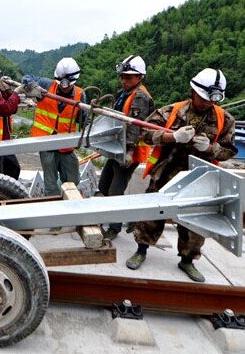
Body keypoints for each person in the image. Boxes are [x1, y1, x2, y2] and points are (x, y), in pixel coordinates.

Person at [126, 68, 237, 282]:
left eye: (210, 99)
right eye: (202, 98)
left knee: (194, 222)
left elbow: (228, 150)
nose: (206, 103)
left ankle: (188, 260)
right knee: (151, 214)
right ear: (192, 91)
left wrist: (210, 149)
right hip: (165, 173)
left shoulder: (224, 119)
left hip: (199, 179)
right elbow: (144, 133)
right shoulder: (172, 111)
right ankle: (141, 249)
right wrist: (172, 137)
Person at [98, 55, 154, 240]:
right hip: (118, 149)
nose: (124, 80)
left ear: (140, 77)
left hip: (129, 152)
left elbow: (134, 126)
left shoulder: (140, 97)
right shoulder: (125, 94)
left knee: (115, 190)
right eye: (122, 76)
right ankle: (113, 218)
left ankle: (114, 228)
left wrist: (129, 152)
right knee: (103, 184)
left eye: (128, 77)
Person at [22, 58, 87, 196]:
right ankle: (53, 208)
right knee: (50, 184)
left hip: (66, 145)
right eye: (61, 84)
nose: (64, 87)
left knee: (73, 180)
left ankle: (67, 201)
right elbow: (27, 77)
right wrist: (34, 86)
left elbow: (84, 120)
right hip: (47, 144)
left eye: (68, 85)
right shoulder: (46, 85)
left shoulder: (80, 95)